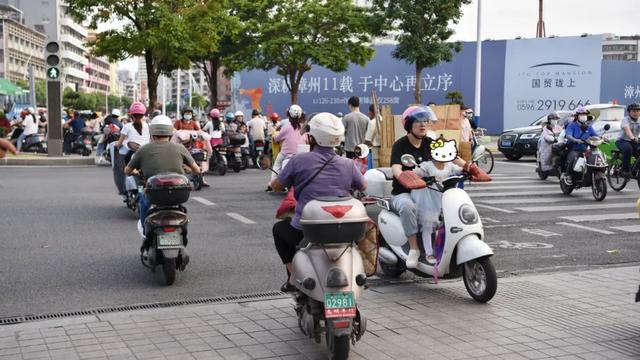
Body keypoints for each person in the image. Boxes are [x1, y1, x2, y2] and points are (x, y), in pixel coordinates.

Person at [270, 112, 367, 292]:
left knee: (279, 230)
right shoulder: (347, 164)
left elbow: (276, 186)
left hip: (308, 230)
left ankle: (292, 277)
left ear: (312, 137)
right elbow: (363, 186)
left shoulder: (298, 160)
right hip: (344, 230)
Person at [390, 106, 490, 268]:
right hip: (405, 192)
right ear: (409, 125)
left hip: (430, 191)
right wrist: (405, 177)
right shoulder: (400, 145)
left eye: (425, 121)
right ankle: (415, 249)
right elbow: (396, 168)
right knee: (408, 207)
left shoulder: (431, 143)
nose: (423, 125)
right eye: (418, 122)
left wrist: (470, 168)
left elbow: (452, 157)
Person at [125, 115, 201, 252]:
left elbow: (127, 170)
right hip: (178, 193)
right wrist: (190, 170)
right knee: (181, 210)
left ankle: (144, 230)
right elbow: (196, 170)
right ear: (170, 132)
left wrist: (135, 172)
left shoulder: (143, 149)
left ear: (152, 132)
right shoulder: (180, 148)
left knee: (143, 203)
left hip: (155, 193)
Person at [268, 105, 306, 191]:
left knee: (277, 164)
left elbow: (277, 138)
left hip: (286, 154)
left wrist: (274, 136)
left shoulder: (286, 127)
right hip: (301, 154)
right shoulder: (304, 127)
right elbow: (307, 139)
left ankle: (272, 184)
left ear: (289, 115)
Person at [563, 106, 598, 185]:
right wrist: (575, 140)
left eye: (585, 114)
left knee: (594, 157)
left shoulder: (589, 126)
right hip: (573, 149)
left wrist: (603, 138)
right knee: (574, 157)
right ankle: (568, 175)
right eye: (582, 114)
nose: (584, 116)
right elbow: (568, 135)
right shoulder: (572, 125)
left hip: (585, 150)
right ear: (577, 116)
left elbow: (595, 135)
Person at [616, 103, 640, 178]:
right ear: (629, 112)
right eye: (633, 111)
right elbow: (627, 130)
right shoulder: (625, 120)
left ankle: (635, 169)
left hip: (635, 141)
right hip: (622, 141)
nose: (636, 113)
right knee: (628, 149)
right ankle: (625, 170)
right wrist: (633, 138)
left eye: (637, 111)